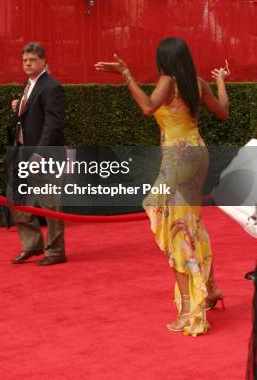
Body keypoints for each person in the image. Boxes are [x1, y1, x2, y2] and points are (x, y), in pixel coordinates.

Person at [95, 37, 230, 336]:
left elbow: (147, 107)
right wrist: (220, 80)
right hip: (197, 154)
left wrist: (126, 76)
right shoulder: (196, 83)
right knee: (189, 223)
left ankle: (188, 310)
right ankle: (211, 288)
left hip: (178, 160)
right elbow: (223, 111)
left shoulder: (168, 82)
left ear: (164, 60)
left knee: (175, 230)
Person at [9, 42, 66, 266]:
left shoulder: (52, 87)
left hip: (45, 156)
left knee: (50, 204)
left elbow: (54, 124)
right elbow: (32, 117)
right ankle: (32, 245)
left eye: (32, 60)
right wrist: (19, 107)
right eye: (24, 60)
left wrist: (40, 154)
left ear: (43, 61)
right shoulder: (29, 85)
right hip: (24, 152)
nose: (27, 64)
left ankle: (56, 251)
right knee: (17, 200)